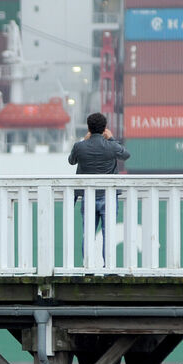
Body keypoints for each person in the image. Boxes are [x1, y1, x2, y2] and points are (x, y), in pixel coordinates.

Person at [67, 112, 130, 266]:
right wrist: (111, 138)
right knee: (108, 235)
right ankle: (108, 267)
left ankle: (88, 267)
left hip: (88, 197)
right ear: (104, 129)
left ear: (89, 128)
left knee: (88, 234)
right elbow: (126, 155)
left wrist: (84, 140)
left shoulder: (79, 146)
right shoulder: (112, 146)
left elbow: (71, 161)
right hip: (108, 197)